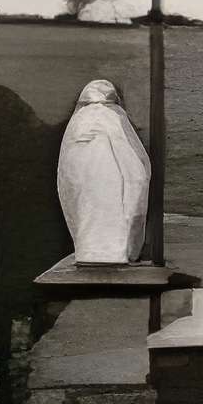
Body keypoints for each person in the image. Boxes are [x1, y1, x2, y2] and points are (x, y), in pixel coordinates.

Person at [55, 77, 150, 265]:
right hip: (111, 182)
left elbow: (66, 173)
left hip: (84, 185)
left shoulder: (77, 124)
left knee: (89, 213)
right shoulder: (112, 118)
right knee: (111, 212)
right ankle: (117, 252)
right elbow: (134, 168)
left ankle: (89, 252)